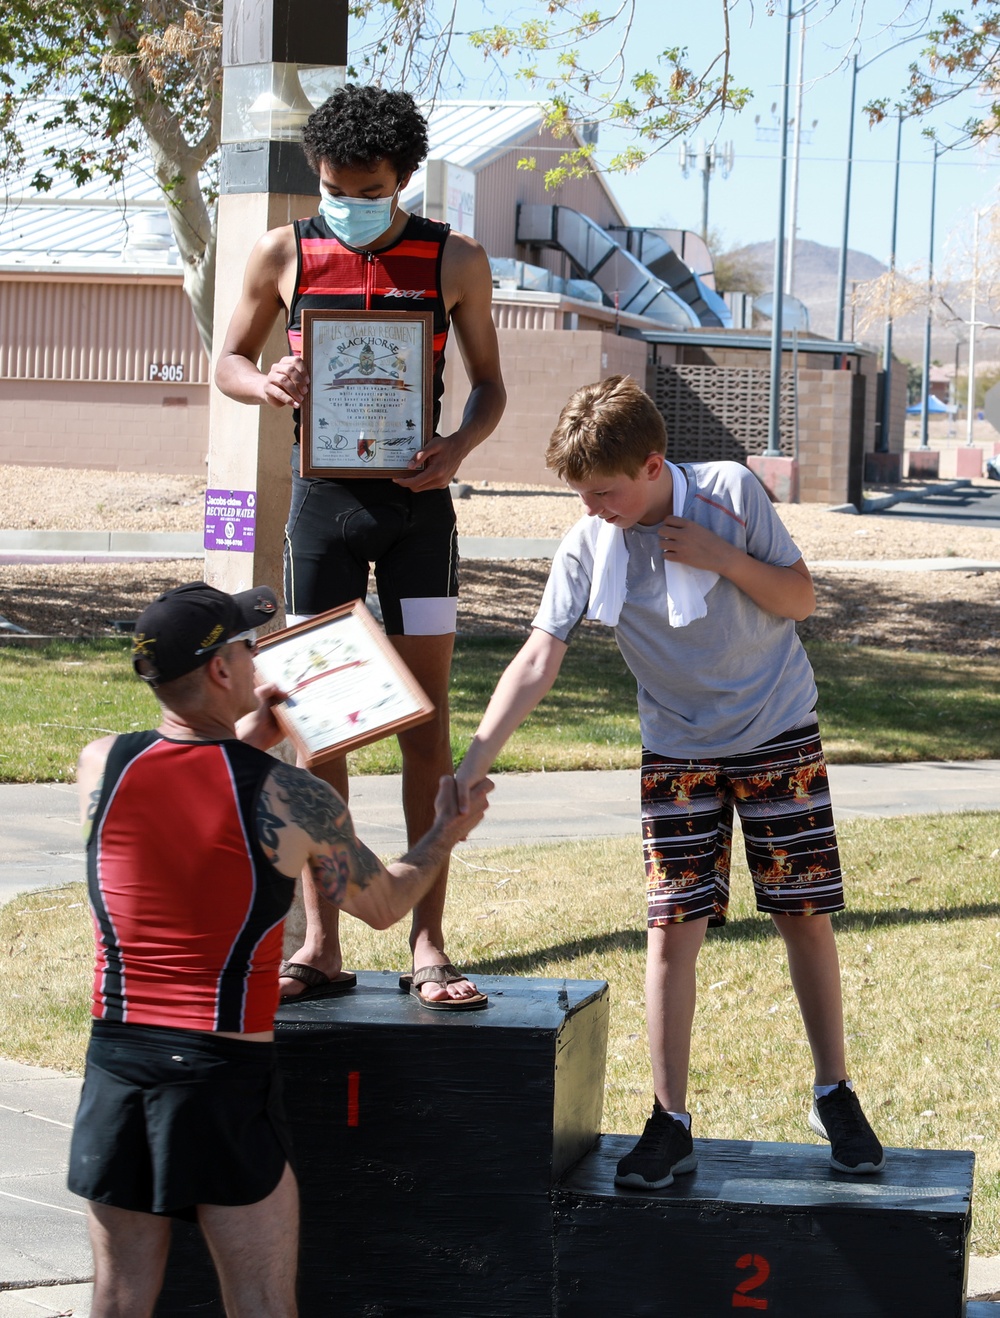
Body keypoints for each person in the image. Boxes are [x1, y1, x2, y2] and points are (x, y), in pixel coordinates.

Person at [454, 375, 885, 1189]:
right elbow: (540, 657)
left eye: (604, 492)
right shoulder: (589, 542)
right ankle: (669, 1118)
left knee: (802, 917)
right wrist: (474, 758)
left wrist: (722, 557)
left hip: (778, 730)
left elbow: (800, 597)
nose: (592, 508)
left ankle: (835, 1091)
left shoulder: (727, 491)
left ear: (654, 465)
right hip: (679, 751)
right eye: (581, 494)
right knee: (670, 932)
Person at [69, 581, 492, 1317]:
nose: (258, 656)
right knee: (261, 1304)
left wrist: (245, 743)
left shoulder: (99, 765)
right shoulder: (288, 798)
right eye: (246, 645)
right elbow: (385, 905)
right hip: (218, 1077)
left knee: (118, 1298)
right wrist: (443, 835)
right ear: (222, 673)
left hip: (116, 1067)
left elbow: (193, 792)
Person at [215, 83, 506, 1011]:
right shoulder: (285, 250)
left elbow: (491, 388)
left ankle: (429, 944)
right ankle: (326, 945)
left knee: (425, 730)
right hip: (324, 514)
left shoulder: (455, 259)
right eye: (334, 185)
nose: (348, 202)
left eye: (367, 186)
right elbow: (225, 361)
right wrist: (269, 382)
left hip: (420, 516)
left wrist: (456, 448)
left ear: (406, 176)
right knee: (321, 733)